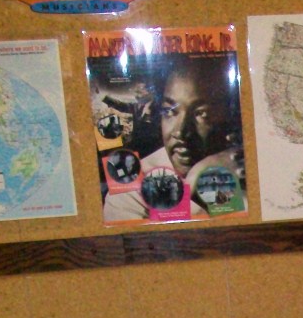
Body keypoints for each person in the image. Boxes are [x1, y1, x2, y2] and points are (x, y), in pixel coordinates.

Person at [103, 57, 245, 222]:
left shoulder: (248, 168)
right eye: (169, 111)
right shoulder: (129, 188)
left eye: (201, 114)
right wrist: (193, 183)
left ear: (231, 118)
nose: (180, 131)